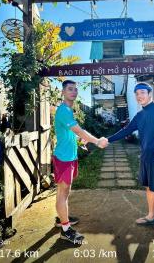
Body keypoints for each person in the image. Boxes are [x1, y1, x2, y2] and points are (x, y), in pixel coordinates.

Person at [101, 82, 154, 251]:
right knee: (149, 188)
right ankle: (152, 216)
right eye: (137, 93)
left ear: (150, 93)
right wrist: (108, 139)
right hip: (145, 158)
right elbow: (126, 130)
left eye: (142, 92)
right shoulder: (140, 115)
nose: (139, 96)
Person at [53, 80, 107, 244]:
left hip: (69, 156)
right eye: (70, 89)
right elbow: (79, 130)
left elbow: (71, 132)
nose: (74, 92)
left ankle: (61, 218)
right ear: (63, 92)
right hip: (63, 158)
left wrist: (78, 139)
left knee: (64, 191)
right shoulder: (64, 111)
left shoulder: (68, 110)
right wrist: (97, 141)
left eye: (75, 89)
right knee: (63, 192)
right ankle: (66, 230)